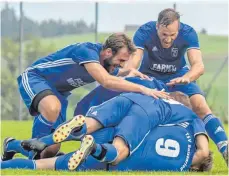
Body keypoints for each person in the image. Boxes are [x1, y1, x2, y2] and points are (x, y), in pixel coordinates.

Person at [75, 8, 229, 164]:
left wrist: (187, 78)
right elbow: (134, 61)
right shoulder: (145, 31)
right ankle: (89, 129)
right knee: (126, 98)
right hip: (149, 77)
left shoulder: (188, 33)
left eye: (172, 35)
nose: (168, 40)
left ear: (179, 28)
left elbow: (199, 66)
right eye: (164, 35)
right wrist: (129, 74)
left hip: (179, 77)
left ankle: (225, 148)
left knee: (200, 105)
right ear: (157, 26)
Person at [2, 33, 170, 160]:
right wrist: (142, 89)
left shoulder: (105, 64)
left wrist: (129, 71)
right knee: (52, 108)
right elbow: (106, 81)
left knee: (50, 152)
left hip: (58, 94)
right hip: (36, 78)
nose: (121, 64)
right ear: (108, 52)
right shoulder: (87, 51)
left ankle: (12, 145)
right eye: (120, 60)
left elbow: (115, 73)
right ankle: (34, 149)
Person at [1, 95, 212, 172]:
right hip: (112, 156)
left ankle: (20, 144)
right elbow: (202, 153)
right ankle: (92, 148)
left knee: (85, 127)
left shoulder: (175, 123)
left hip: (126, 102)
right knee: (43, 164)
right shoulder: (189, 123)